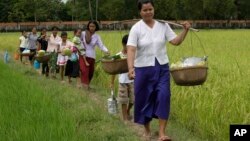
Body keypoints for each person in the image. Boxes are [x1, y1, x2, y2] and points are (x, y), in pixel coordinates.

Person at [126, 0, 191, 141]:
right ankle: (147, 130)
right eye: (145, 10)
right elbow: (131, 49)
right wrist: (131, 68)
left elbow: (176, 41)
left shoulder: (163, 25)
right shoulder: (136, 28)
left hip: (162, 67)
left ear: (154, 10)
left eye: (150, 9)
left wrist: (185, 30)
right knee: (143, 99)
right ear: (140, 12)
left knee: (164, 96)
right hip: (142, 69)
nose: (148, 12)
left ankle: (162, 133)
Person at [110, 34, 134, 121]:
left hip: (132, 80)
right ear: (123, 44)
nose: (128, 48)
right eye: (126, 45)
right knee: (123, 100)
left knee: (132, 100)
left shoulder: (133, 55)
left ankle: (128, 111)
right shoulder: (118, 56)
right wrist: (112, 82)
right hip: (122, 81)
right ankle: (125, 119)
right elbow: (114, 70)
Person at [80, 20, 109, 89]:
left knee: (91, 72)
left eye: (93, 26)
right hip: (83, 55)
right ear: (88, 26)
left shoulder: (97, 36)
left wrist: (106, 51)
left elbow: (101, 45)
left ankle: (86, 85)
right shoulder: (83, 34)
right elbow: (78, 40)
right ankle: (85, 87)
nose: (91, 28)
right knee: (84, 71)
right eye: (90, 26)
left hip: (92, 56)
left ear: (96, 27)